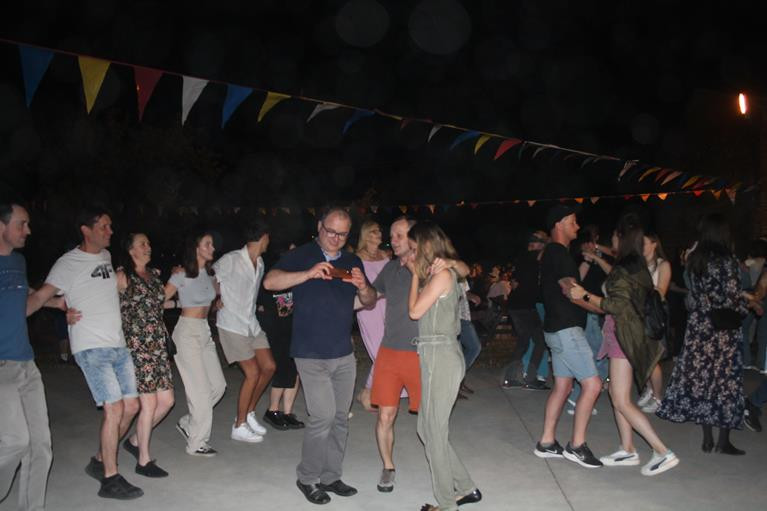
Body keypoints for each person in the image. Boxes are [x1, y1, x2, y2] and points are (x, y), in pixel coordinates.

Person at [27, 206, 143, 499]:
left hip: (118, 344)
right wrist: (48, 305)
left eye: (110, 226)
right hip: (91, 347)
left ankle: (101, 460)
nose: (110, 231)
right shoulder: (67, 263)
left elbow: (95, 292)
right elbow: (41, 295)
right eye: (104, 226)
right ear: (86, 230)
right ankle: (110, 479)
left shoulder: (106, 256)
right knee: (114, 409)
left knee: (131, 407)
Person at [263, 207, 376, 506]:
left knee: (340, 418)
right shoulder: (301, 255)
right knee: (322, 416)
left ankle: (330, 476)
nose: (335, 238)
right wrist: (308, 273)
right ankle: (307, 477)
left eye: (342, 234)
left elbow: (368, 301)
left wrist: (364, 286)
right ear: (319, 226)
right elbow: (270, 282)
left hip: (343, 353)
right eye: (330, 231)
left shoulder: (352, 261)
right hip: (310, 352)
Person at [568, 216, 679, 476]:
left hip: (622, 335)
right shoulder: (636, 266)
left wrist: (584, 295)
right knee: (619, 396)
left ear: (622, 238)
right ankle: (628, 449)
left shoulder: (625, 269)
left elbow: (615, 305)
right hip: (627, 334)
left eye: (615, 236)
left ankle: (662, 451)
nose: (612, 241)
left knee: (620, 399)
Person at [657, 213, 758, 455]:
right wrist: (747, 305)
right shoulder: (728, 261)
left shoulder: (695, 259)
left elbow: (693, 292)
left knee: (703, 380)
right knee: (725, 383)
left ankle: (707, 439)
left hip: (699, 327)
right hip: (722, 331)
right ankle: (723, 441)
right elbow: (731, 297)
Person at [406, 222, 481, 511]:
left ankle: (447, 504)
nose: (411, 253)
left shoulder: (441, 275)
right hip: (435, 355)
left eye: (414, 248)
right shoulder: (440, 272)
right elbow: (464, 268)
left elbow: (414, 311)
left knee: (434, 432)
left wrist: (415, 275)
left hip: (441, 356)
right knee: (426, 428)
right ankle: (466, 487)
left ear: (426, 245)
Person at [533, 204, 603, 469]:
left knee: (562, 387)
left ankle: (547, 442)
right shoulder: (558, 252)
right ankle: (577, 446)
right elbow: (571, 290)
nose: (577, 226)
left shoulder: (552, 253)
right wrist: (603, 307)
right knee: (593, 385)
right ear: (559, 224)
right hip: (567, 329)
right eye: (573, 221)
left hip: (555, 329)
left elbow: (568, 284)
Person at [1, 200, 54, 510]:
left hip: (26, 364)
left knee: (40, 447)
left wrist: (55, 301)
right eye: (21, 224)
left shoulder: (18, 262)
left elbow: (23, 303)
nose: (28, 230)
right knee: (15, 441)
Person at [116, 233, 176, 477]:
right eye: (142, 244)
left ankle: (134, 441)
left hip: (158, 346)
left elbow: (157, 305)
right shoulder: (122, 277)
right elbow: (104, 303)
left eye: (149, 243)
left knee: (167, 401)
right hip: (137, 347)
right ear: (131, 250)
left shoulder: (153, 276)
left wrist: (181, 302)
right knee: (149, 403)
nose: (148, 247)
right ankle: (143, 461)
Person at [213, 221, 275, 443]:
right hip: (232, 324)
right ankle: (238, 426)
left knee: (269, 367)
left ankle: (248, 413)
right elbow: (211, 276)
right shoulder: (231, 259)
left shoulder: (260, 263)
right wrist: (216, 297)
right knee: (252, 373)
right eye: (268, 237)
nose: (269, 242)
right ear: (263, 236)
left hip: (251, 323)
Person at [166, 232, 226, 457]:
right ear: (196, 248)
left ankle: (188, 423)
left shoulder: (210, 275)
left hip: (204, 332)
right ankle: (196, 443)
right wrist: (177, 304)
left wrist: (217, 304)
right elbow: (158, 300)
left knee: (218, 386)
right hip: (187, 332)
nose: (212, 248)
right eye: (207, 244)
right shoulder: (180, 274)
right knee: (200, 392)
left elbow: (209, 300)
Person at [258, 242, 305, 430]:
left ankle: (287, 412)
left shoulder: (298, 275)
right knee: (283, 369)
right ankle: (272, 410)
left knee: (295, 371)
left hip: (294, 328)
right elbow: (278, 308)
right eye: (291, 251)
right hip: (278, 329)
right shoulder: (273, 275)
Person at [502, 231, 550, 390]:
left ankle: (512, 379)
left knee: (525, 341)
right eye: (540, 243)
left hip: (520, 306)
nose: (542, 247)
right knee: (539, 341)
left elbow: (516, 281)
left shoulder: (523, 258)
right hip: (524, 307)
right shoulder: (532, 257)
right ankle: (529, 378)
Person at [354, 220, 390, 412]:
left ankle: (368, 391)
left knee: (388, 350)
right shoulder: (357, 258)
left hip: (388, 306)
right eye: (375, 231)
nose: (379, 234)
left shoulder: (385, 255)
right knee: (380, 353)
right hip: (368, 309)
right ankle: (367, 393)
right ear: (367, 235)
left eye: (379, 231)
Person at [635, 232, 672, 413]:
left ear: (654, 244)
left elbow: (661, 292)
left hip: (653, 316)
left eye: (644, 242)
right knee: (642, 358)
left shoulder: (663, 265)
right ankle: (650, 389)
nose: (641, 246)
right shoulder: (639, 264)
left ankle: (658, 397)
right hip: (638, 315)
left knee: (653, 360)